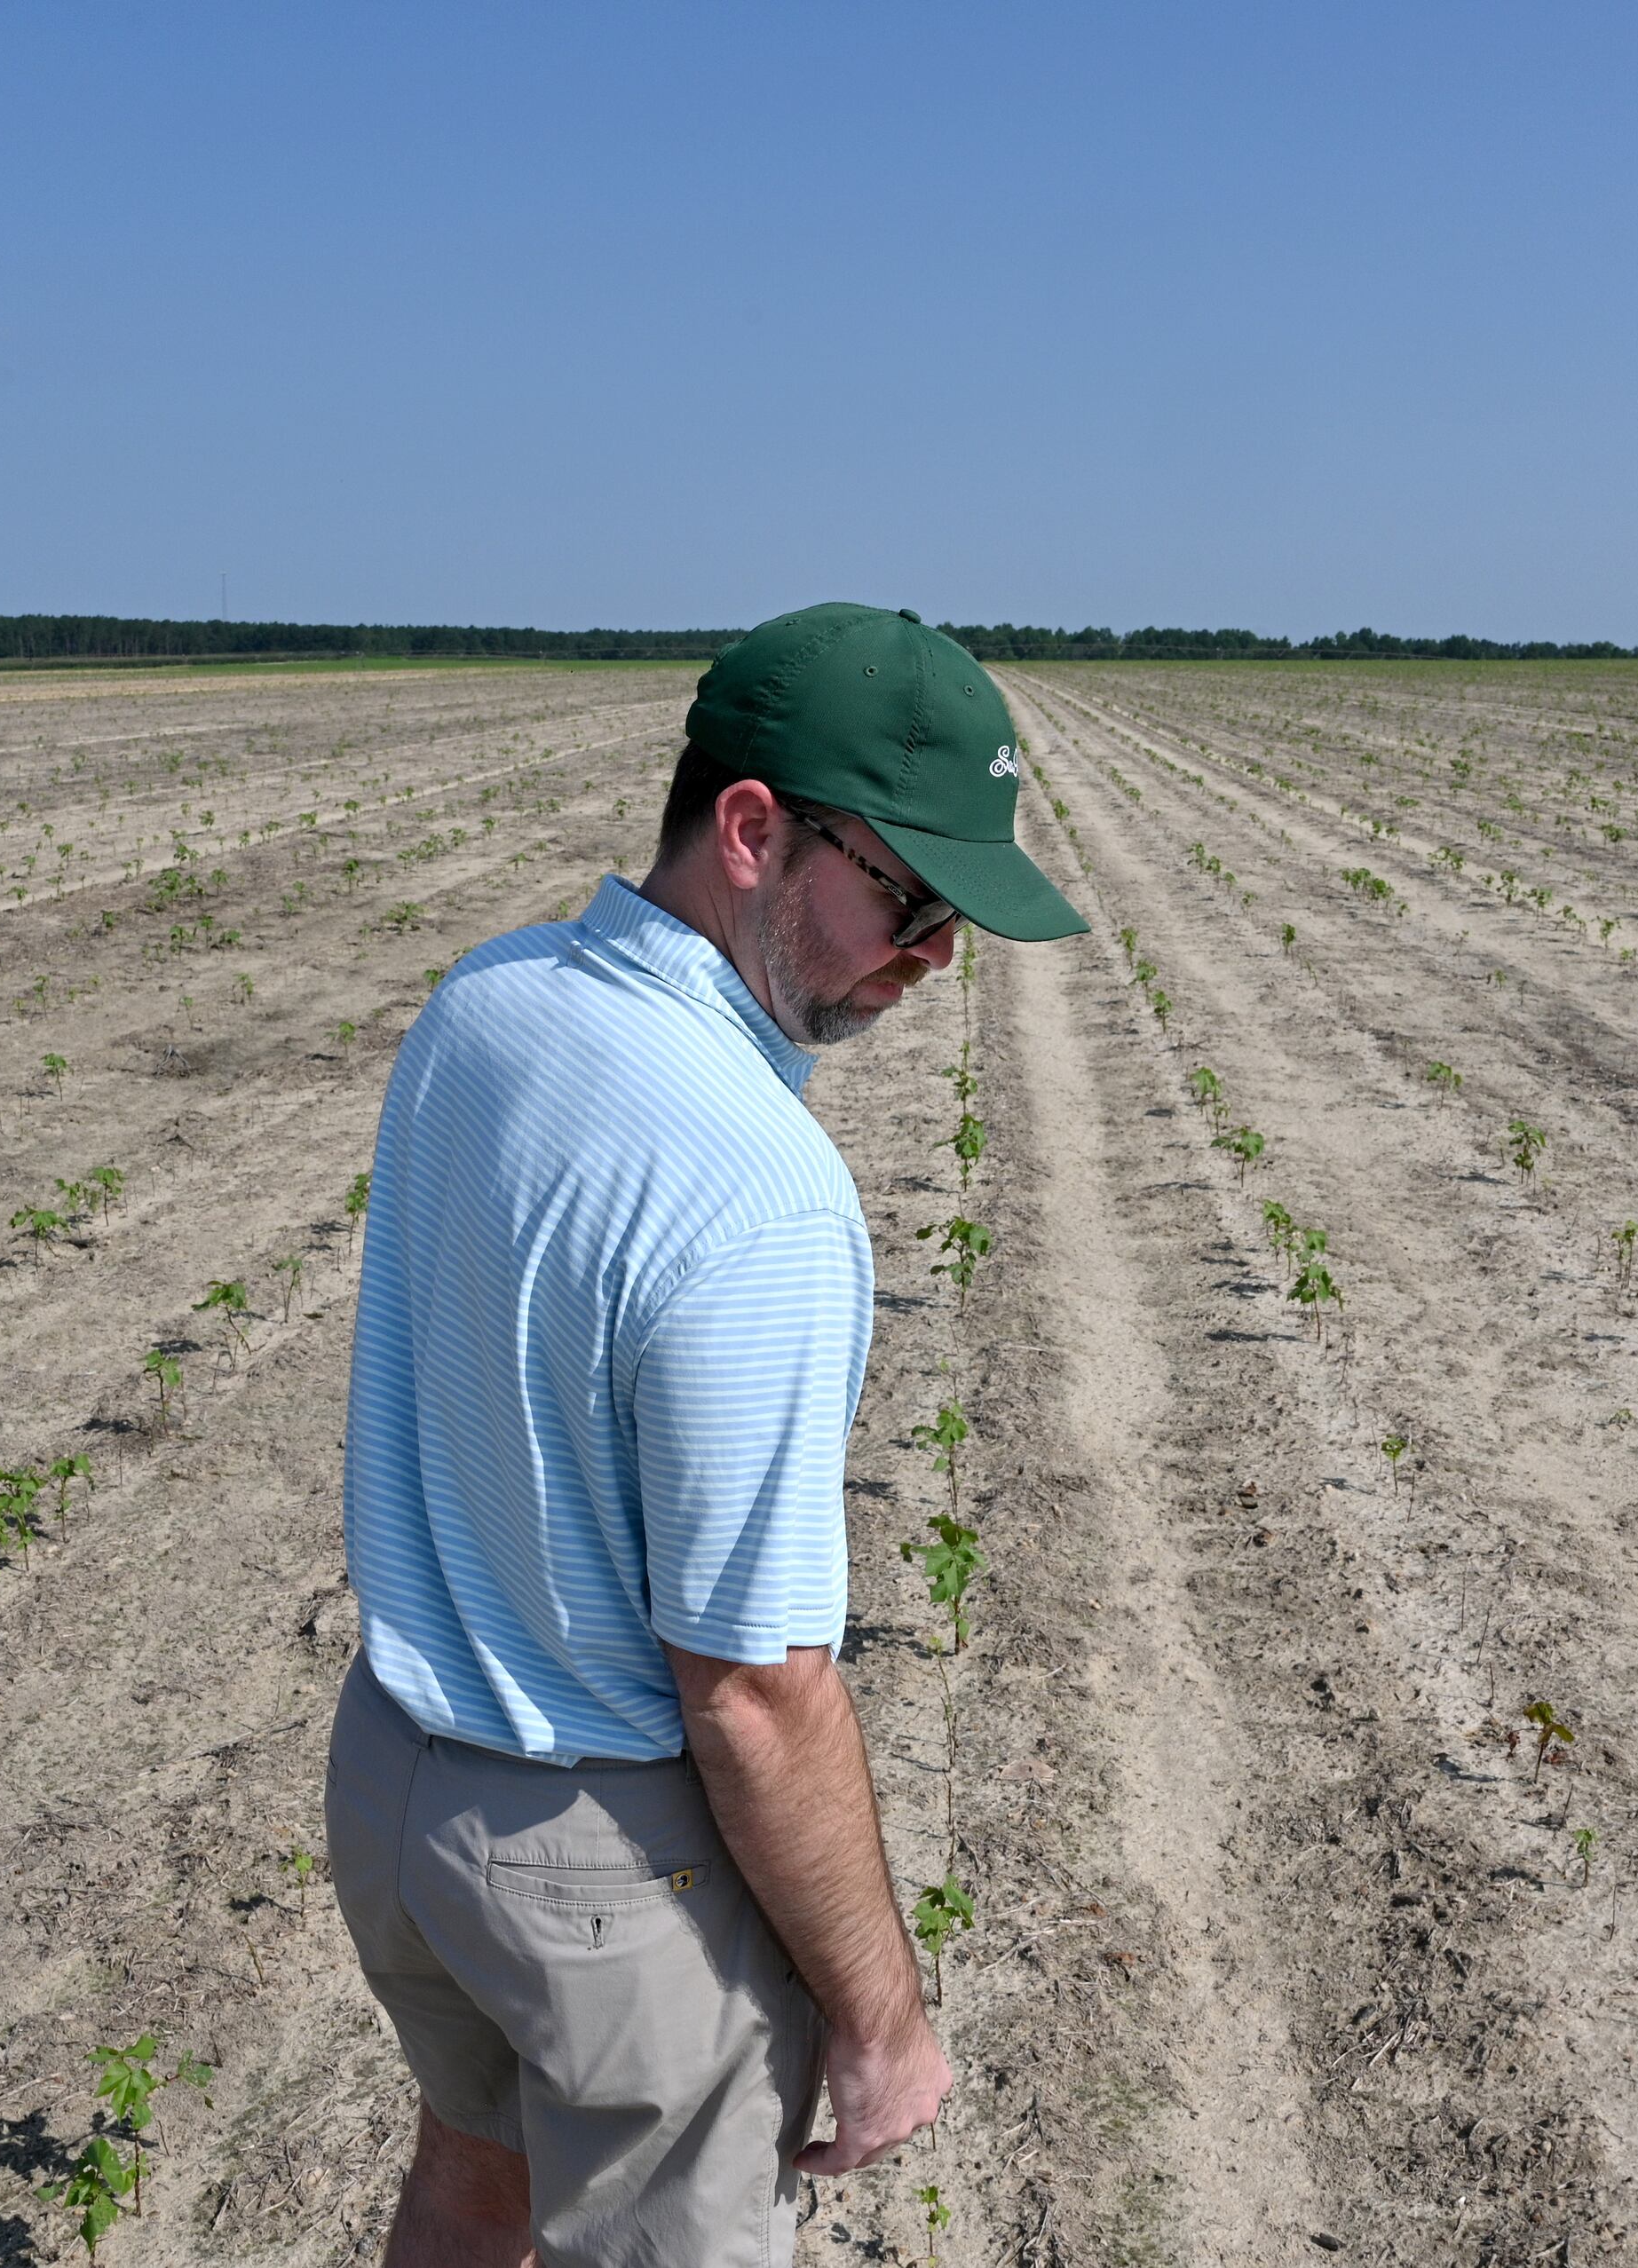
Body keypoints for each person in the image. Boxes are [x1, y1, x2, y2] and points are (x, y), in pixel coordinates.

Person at [328, 602, 1087, 2265]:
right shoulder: (757, 1192)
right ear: (752, 829)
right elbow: (750, 1692)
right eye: (908, 897)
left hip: (396, 1781)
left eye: (957, 916)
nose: (936, 953)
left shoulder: (489, 1000)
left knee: (476, 2163)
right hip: (596, 1866)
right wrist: (884, 2025)